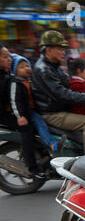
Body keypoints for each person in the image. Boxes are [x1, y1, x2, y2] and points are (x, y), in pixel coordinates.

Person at [32, 30, 85, 155]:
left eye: (64, 49)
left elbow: (69, 86)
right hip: (51, 113)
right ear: (48, 50)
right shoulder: (44, 69)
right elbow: (61, 93)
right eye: (60, 49)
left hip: (59, 109)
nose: (63, 52)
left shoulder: (54, 66)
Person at [0, 46, 45, 179]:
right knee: (28, 129)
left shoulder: (7, 74)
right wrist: (19, 116)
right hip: (6, 114)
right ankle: (33, 168)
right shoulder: (7, 78)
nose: (9, 59)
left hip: (16, 111)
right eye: (5, 57)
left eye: (9, 56)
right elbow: (12, 99)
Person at [9, 54, 65, 153]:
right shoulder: (16, 84)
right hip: (26, 112)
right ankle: (52, 144)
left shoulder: (30, 81)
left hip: (34, 109)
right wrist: (20, 116)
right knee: (40, 124)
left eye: (27, 66)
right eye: (21, 67)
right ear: (15, 71)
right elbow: (14, 101)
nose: (26, 68)